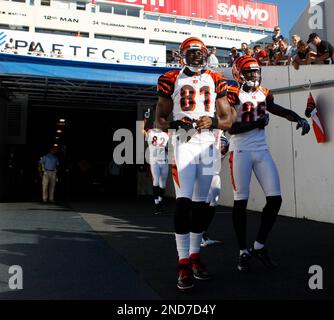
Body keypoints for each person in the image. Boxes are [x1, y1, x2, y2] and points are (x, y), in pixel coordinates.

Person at [155, 37, 236, 291]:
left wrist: (210, 122)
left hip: (208, 143)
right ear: (182, 56)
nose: (197, 57)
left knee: (202, 204)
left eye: (200, 53)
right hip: (184, 143)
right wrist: (178, 124)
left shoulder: (215, 78)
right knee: (184, 201)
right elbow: (160, 119)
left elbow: (228, 119)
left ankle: (194, 257)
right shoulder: (170, 79)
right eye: (191, 53)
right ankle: (182, 263)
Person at [227, 56, 310, 273]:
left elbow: (278, 109)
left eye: (256, 71)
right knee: (240, 203)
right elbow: (230, 129)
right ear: (239, 73)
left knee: (275, 199)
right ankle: (242, 251)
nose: (254, 75)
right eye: (249, 71)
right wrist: (256, 122)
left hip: (261, 150)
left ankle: (259, 246)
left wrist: (298, 117)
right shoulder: (233, 93)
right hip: (241, 151)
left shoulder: (264, 92)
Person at [143, 109, 169, 214]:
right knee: (156, 182)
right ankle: (157, 203)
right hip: (155, 161)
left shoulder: (165, 133)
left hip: (164, 160)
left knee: (162, 184)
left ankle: (160, 202)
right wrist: (145, 119)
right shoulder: (151, 132)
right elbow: (141, 130)